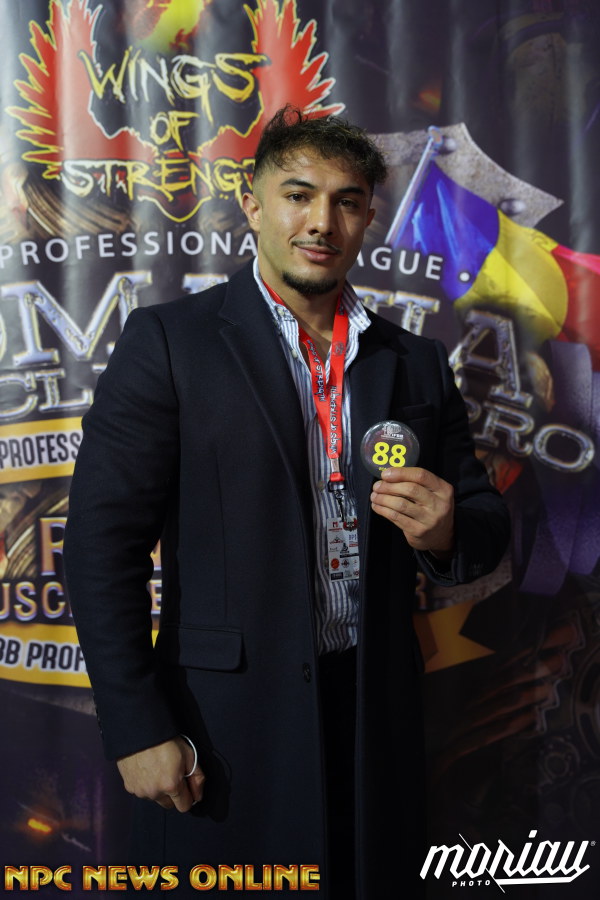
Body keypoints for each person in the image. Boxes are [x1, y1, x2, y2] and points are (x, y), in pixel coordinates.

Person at [64, 107, 510, 898]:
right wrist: (137, 726)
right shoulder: (170, 342)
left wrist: (445, 532)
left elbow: (482, 525)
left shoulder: (414, 361)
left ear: (368, 217)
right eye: (298, 195)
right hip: (223, 723)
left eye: (346, 201)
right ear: (253, 203)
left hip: (374, 715)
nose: (321, 222)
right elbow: (102, 550)